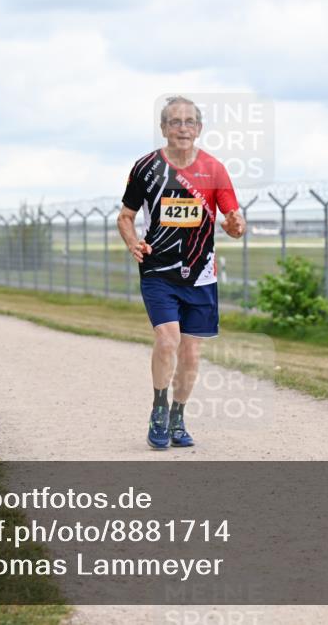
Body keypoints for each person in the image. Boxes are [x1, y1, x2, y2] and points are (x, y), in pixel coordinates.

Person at [117, 95, 245, 450]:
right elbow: (125, 217)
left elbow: (234, 222)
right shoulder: (146, 168)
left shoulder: (214, 170)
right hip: (158, 270)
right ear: (163, 128)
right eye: (175, 122)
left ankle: (178, 415)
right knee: (167, 340)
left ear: (199, 128)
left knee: (190, 353)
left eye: (189, 122)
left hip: (200, 274)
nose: (183, 128)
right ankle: (159, 410)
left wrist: (236, 225)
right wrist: (133, 243)